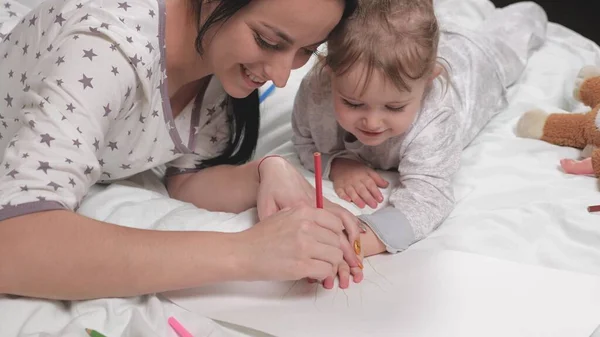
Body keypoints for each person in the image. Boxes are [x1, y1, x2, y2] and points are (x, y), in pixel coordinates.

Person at [0, 0, 364, 300]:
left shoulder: (218, 60)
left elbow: (185, 179)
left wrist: (266, 172)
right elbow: (14, 244)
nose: (282, 76)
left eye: (305, 50)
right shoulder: (104, 48)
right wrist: (247, 253)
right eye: (269, 41)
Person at [291, 0, 548, 257]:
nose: (372, 122)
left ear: (427, 83)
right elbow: (305, 142)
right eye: (353, 103)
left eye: (393, 107)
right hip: (424, 45)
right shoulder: (317, 89)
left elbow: (429, 197)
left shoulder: (435, 118)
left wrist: (360, 243)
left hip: (480, 59)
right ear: (328, 70)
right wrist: (338, 164)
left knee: (523, 21)